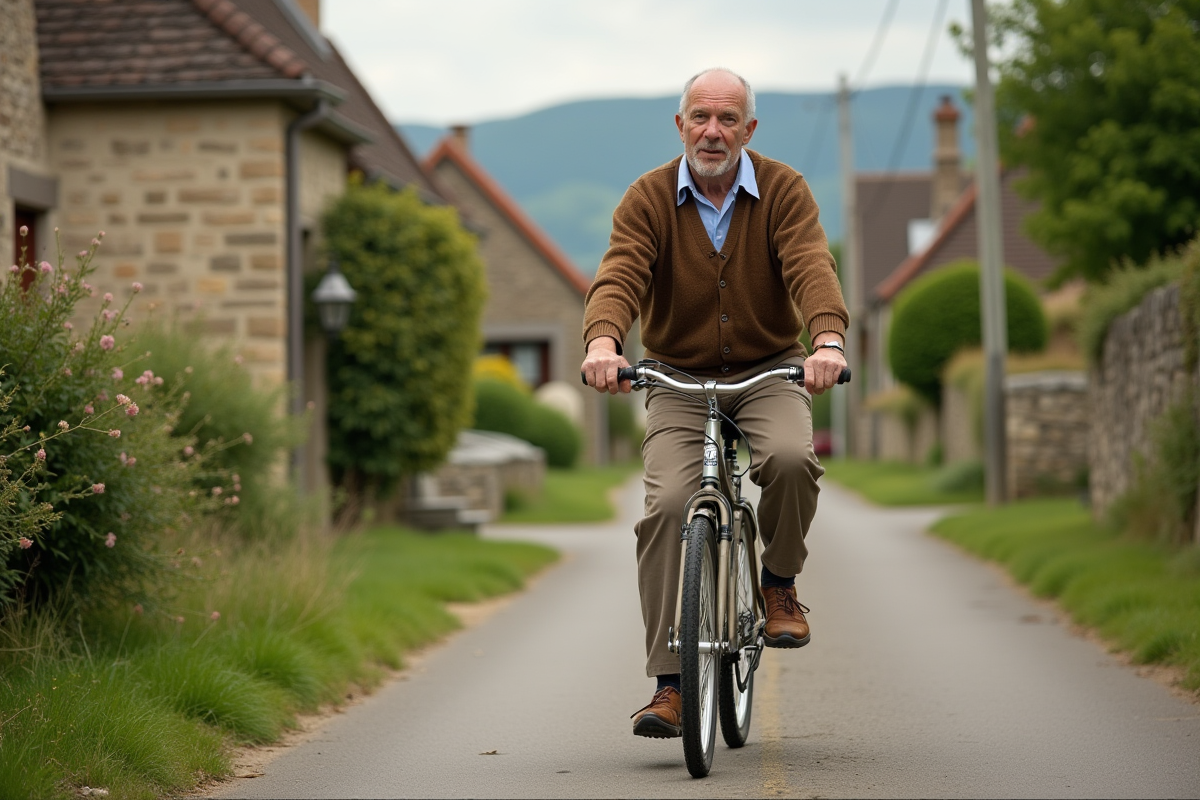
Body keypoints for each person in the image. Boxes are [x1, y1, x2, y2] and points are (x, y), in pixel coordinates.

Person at [580, 67, 849, 738]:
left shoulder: (783, 190)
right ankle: (670, 686)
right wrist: (605, 341)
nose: (712, 130)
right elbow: (621, 273)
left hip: (768, 369)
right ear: (680, 125)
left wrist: (828, 340)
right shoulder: (647, 198)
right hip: (675, 378)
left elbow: (811, 263)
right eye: (700, 116)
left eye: (728, 119)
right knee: (668, 506)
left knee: (790, 457)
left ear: (749, 130)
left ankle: (778, 584)